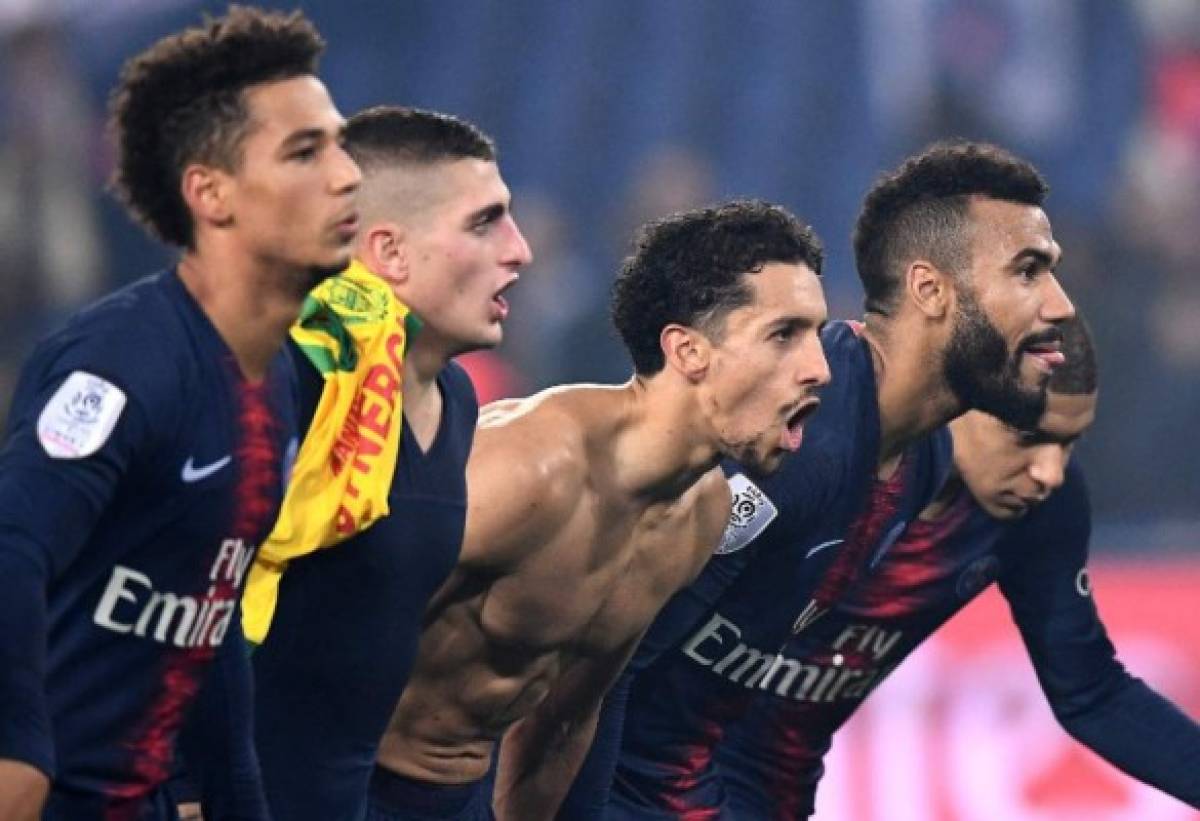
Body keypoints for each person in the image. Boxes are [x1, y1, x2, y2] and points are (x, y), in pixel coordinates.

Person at [563, 140, 1078, 819]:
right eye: (1029, 271)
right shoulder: (799, 439)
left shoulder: (919, 461)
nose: (1060, 305)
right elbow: (595, 670)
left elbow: (759, 706)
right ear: (931, 291)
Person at [0, 7, 360, 820]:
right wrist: (16, 747)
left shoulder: (273, 381)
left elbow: (211, 604)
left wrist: (231, 799)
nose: (347, 175)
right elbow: (12, 545)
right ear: (210, 192)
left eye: (339, 144)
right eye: (306, 151)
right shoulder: (121, 362)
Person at [369, 200, 832, 820]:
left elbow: (563, 718)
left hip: (460, 801)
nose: (820, 369)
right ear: (688, 351)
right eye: (784, 335)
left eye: (817, 335)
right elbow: (325, 622)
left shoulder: (699, 515)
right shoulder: (527, 470)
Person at [719, 317, 1200, 818]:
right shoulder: (819, 439)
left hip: (766, 794)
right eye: (1030, 439)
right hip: (654, 771)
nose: (1049, 472)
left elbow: (1092, 693)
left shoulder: (1037, 508)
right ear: (956, 398)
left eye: (1069, 442)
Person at [245, 105, 531, 821]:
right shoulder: (296, 374)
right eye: (483, 222)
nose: (519, 250)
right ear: (389, 252)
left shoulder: (456, 398)